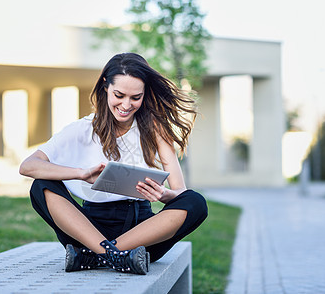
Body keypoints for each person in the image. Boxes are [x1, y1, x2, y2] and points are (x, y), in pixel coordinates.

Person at [19, 52, 208, 275]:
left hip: (141, 234)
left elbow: (180, 191)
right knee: (41, 185)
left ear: (144, 94)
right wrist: (79, 174)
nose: (126, 104)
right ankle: (113, 255)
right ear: (105, 87)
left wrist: (162, 194)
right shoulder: (83, 128)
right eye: (119, 95)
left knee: (195, 202)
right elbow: (28, 166)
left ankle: (96, 256)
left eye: (135, 97)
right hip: (89, 230)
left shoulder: (156, 130)